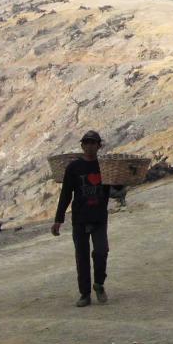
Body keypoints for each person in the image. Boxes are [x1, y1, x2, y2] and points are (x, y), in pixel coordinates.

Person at [52, 130, 112, 307]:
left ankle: (99, 284)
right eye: (86, 142)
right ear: (82, 146)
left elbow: (116, 185)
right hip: (79, 218)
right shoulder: (73, 168)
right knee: (82, 256)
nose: (90, 145)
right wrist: (58, 219)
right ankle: (85, 294)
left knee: (101, 251)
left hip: (99, 217)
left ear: (99, 146)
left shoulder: (106, 167)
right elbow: (65, 194)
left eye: (93, 143)